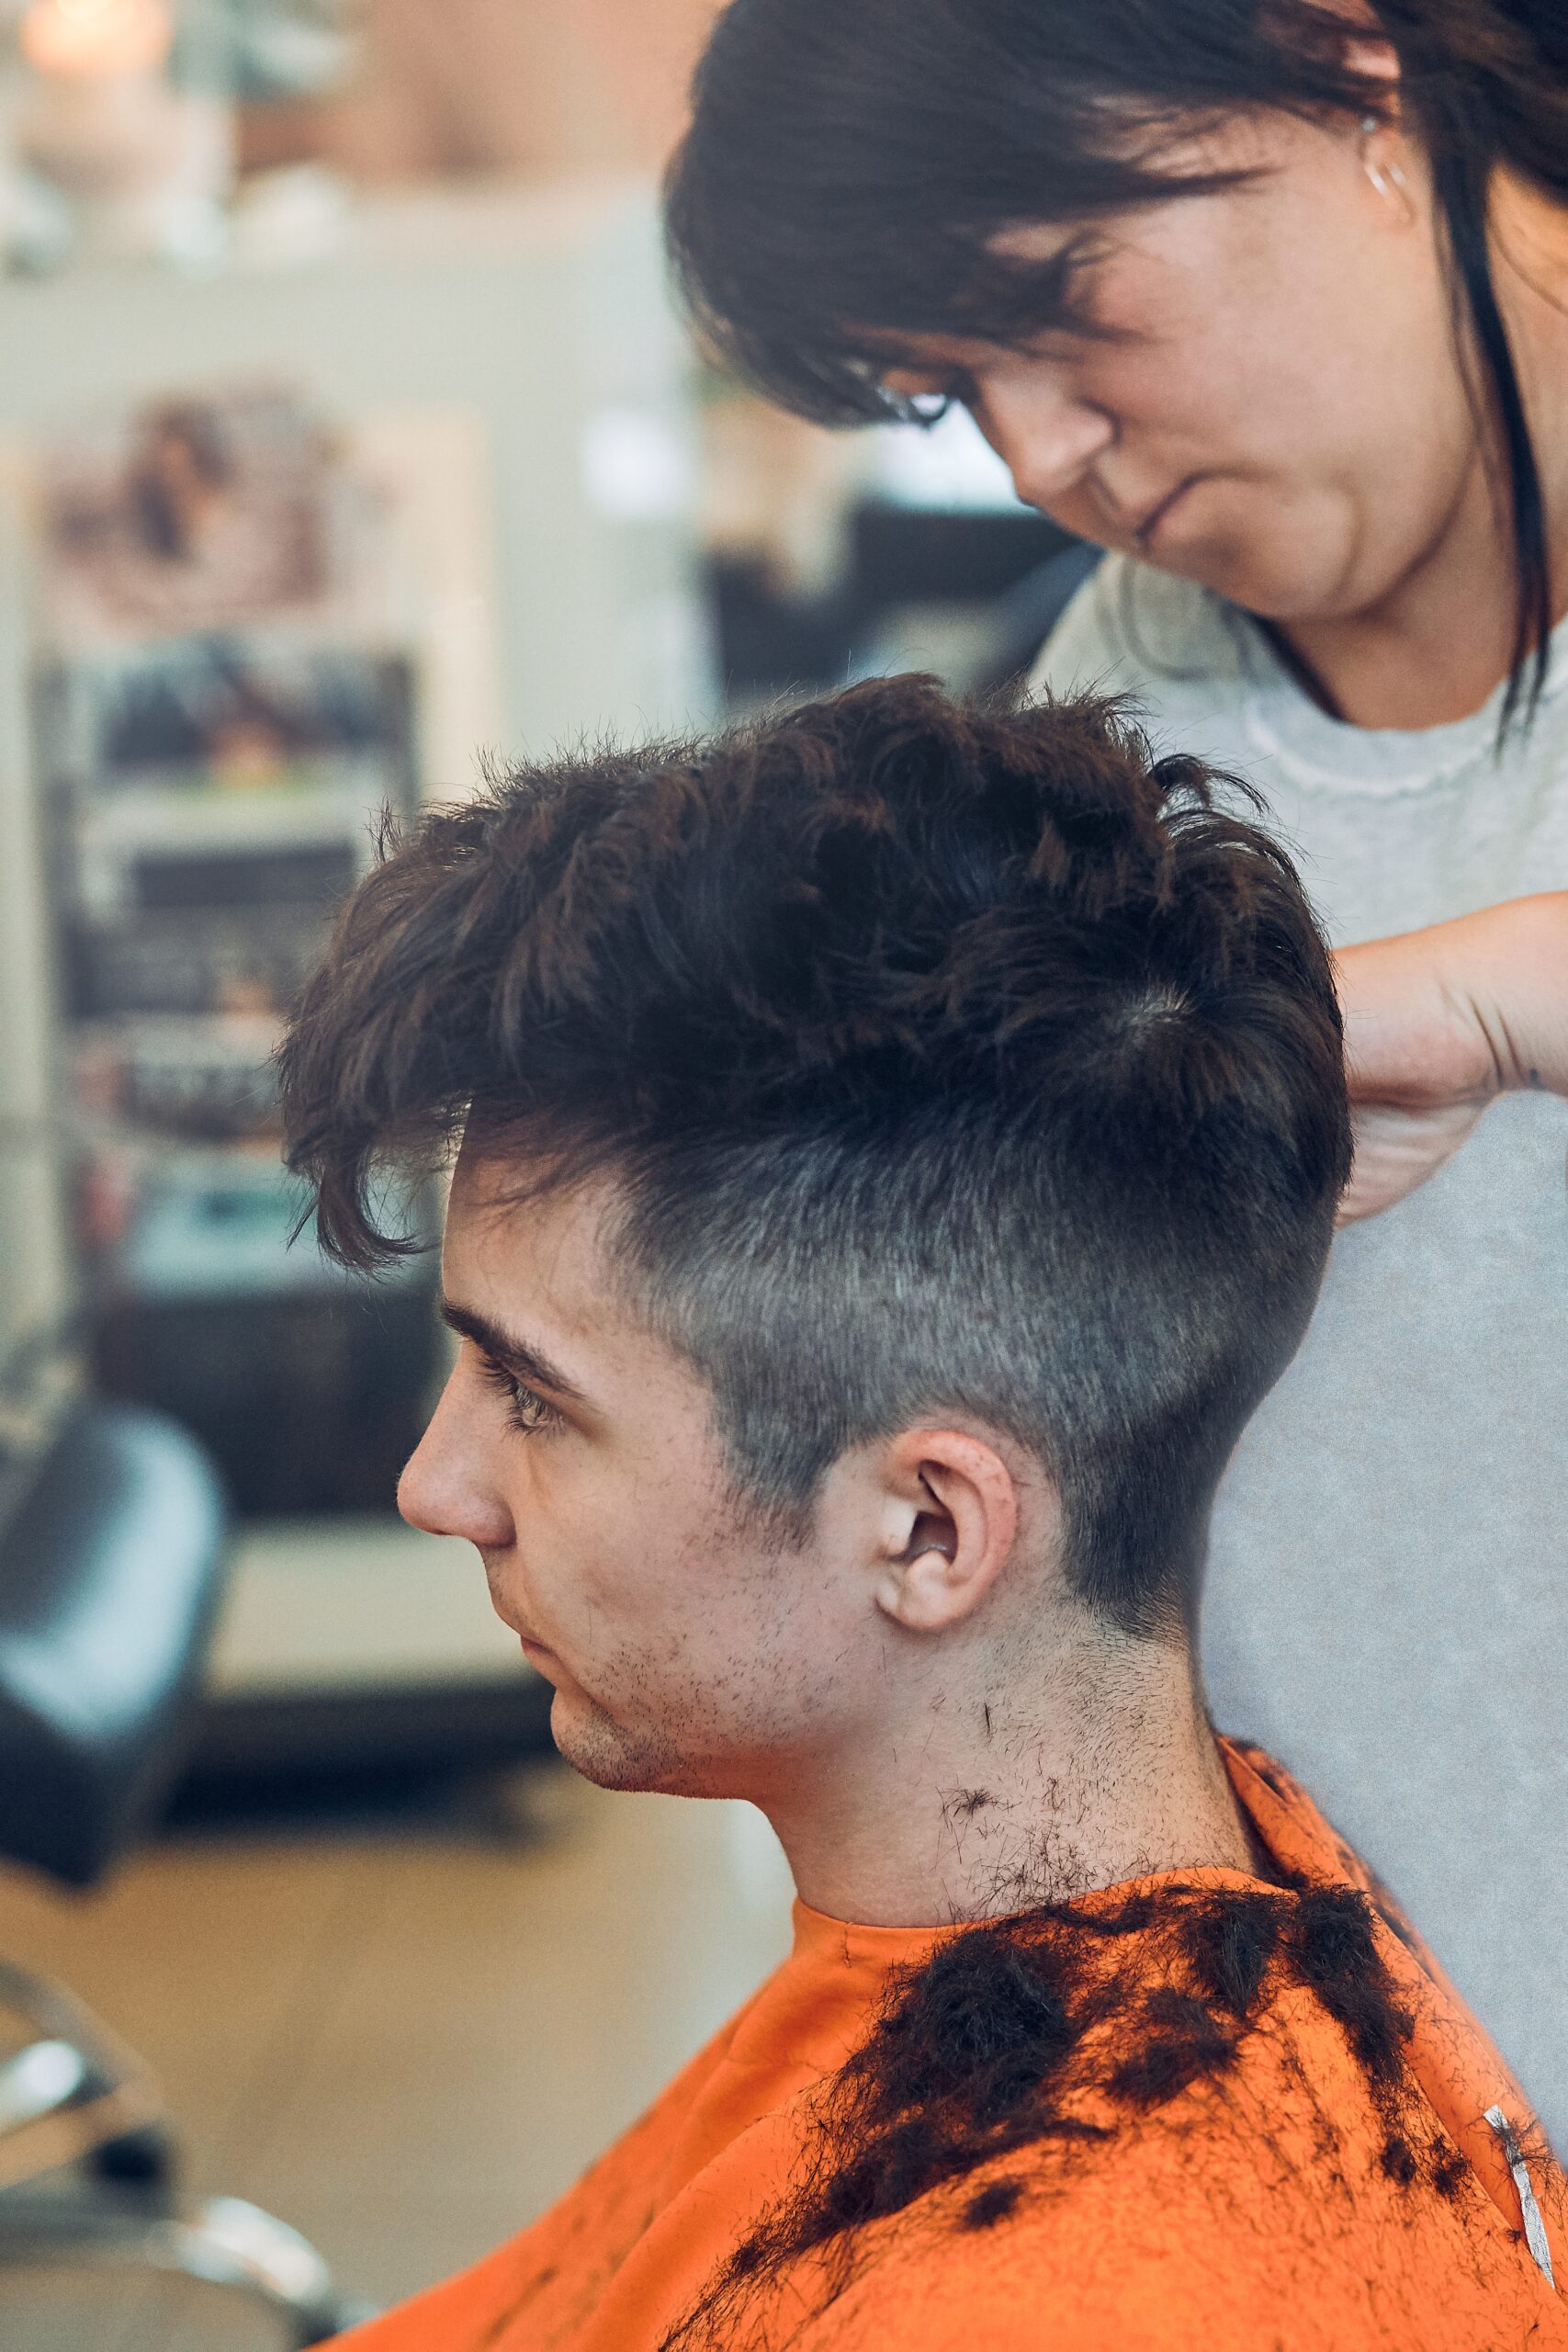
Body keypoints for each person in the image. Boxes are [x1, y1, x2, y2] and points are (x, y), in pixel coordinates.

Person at [277, 677, 1566, 2350]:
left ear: (931, 1533)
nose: (435, 1489)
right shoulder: (1176, 1893)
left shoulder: (1070, 2291)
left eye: (532, 1398)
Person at [665, 0, 1568, 2143]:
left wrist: (1499, 991)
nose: (1041, 454)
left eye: (1059, 305)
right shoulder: (1130, 693)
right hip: (1391, 2116)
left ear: (1343, 64)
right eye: (949, 391)